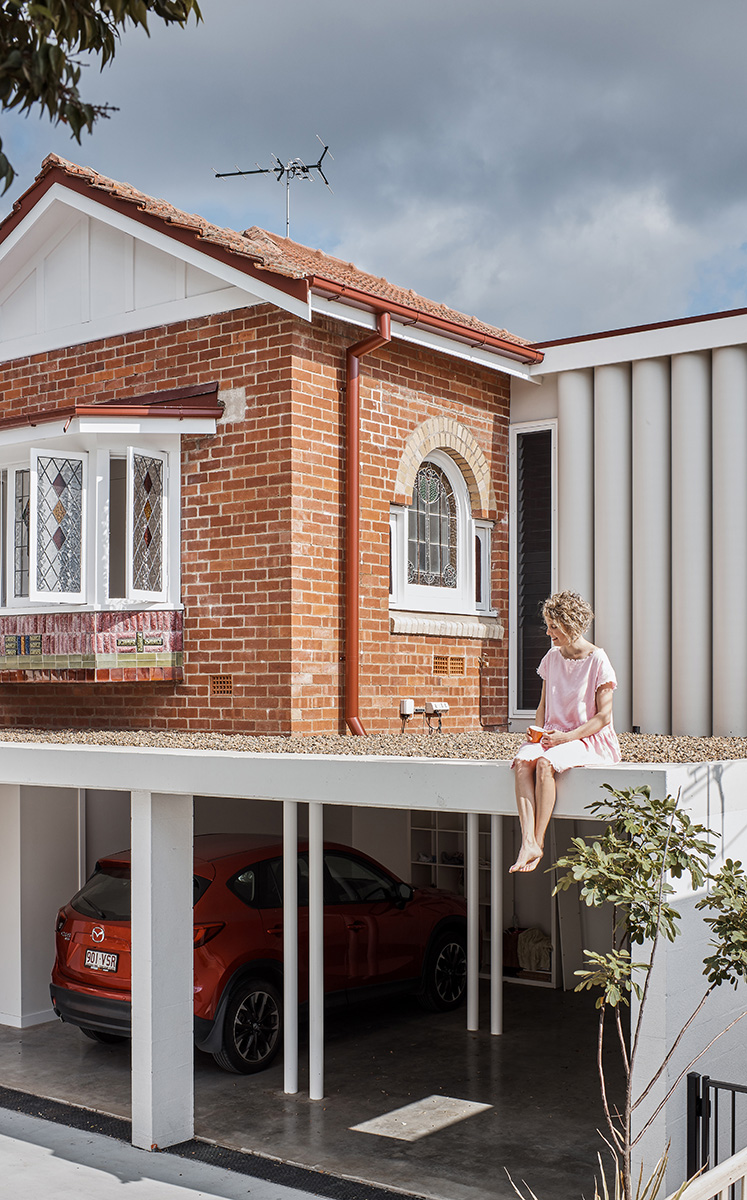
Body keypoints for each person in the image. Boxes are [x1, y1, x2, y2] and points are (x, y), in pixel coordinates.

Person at [510, 591, 621, 874]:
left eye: (553, 626)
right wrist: (537, 731)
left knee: (545, 764)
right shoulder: (551, 657)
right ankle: (527, 842)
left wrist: (567, 737)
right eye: (548, 626)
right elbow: (543, 706)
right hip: (553, 735)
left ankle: (538, 841)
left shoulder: (598, 660)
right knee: (522, 762)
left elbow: (604, 717)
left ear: (571, 625)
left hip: (587, 738)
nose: (548, 633)